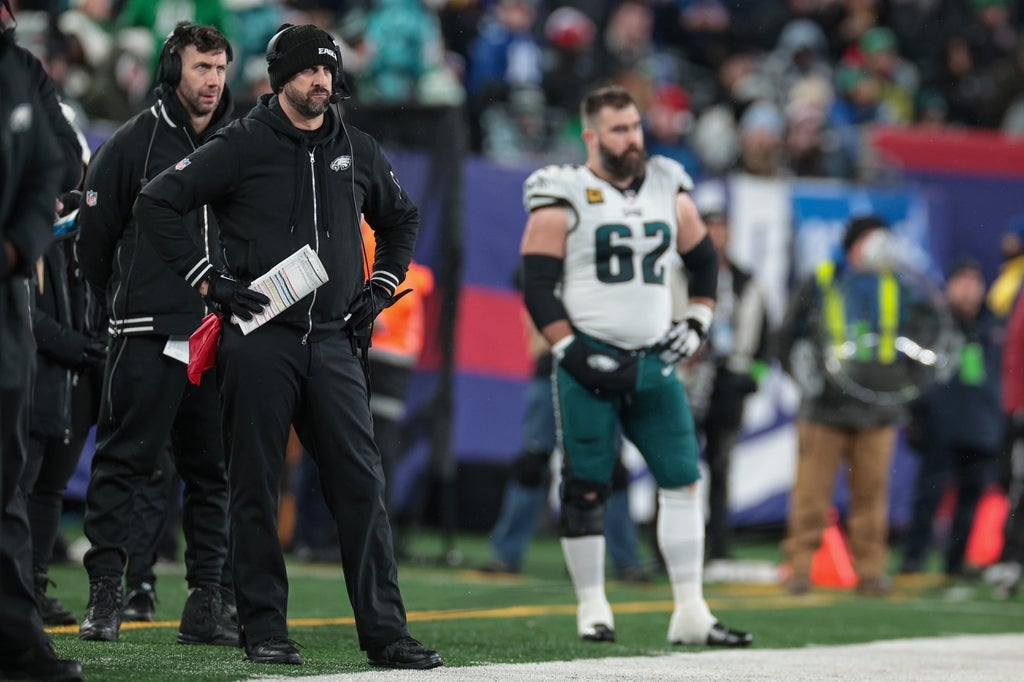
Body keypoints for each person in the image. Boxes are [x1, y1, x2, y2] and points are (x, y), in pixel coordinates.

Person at [135, 23, 443, 669]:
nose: (321, 82)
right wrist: (207, 279)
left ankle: (386, 634)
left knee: (361, 485)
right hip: (259, 338)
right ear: (279, 78)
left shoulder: (354, 147)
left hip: (333, 341)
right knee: (255, 485)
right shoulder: (241, 142)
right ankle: (264, 629)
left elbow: (401, 217)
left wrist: (383, 282)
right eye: (307, 71)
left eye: (328, 71)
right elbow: (160, 201)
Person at [519, 84, 751, 647]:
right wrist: (567, 348)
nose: (633, 138)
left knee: (683, 479)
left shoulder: (670, 183)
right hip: (587, 361)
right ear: (592, 136)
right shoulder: (563, 190)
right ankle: (593, 605)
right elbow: (537, 284)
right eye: (620, 129)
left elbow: (703, 260)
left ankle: (691, 611)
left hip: (652, 361)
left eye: (636, 126)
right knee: (587, 487)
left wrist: (697, 317)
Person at [75, 21, 237, 645]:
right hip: (145, 328)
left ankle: (206, 603)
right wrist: (120, 301)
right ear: (172, 70)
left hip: (214, 333)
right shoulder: (132, 143)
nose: (213, 81)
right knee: (123, 465)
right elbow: (93, 240)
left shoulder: (236, 141)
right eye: (201, 68)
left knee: (211, 472)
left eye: (220, 69)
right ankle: (107, 596)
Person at [0, 0, 82, 678]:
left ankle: (18, 640)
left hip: (2, 308)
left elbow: (54, 172)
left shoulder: (22, 72)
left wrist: (16, 247)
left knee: (7, 490)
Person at [776, 215, 906, 597]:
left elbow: (920, 335)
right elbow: (786, 336)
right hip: (824, 409)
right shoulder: (820, 280)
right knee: (811, 495)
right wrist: (801, 378)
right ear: (854, 243)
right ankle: (799, 569)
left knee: (872, 496)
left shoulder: (895, 285)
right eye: (873, 238)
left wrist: (905, 386)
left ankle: (870, 573)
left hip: (878, 409)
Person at [480, 308, 650, 581]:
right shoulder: (547, 267)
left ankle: (626, 560)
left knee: (611, 468)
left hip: (602, 368)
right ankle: (505, 554)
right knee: (531, 465)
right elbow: (527, 279)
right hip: (554, 365)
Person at [23, 112, 105, 627]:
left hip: (66, 381)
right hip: (34, 375)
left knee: (49, 486)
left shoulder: (76, 230)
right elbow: (24, 314)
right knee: (21, 486)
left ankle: (29, 587)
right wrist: (78, 346)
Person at [900, 258, 1003, 582]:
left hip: (982, 426)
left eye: (976, 281)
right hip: (941, 422)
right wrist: (917, 414)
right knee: (928, 495)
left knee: (969, 502)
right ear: (949, 285)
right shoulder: (934, 321)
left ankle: (954, 564)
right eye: (962, 280)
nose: (970, 289)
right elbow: (913, 371)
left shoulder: (993, 325)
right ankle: (913, 560)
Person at [679, 199, 769, 563]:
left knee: (721, 467)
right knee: (679, 464)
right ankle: (669, 546)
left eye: (723, 230)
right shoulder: (682, 273)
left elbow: (765, 340)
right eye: (711, 229)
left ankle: (718, 548)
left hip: (727, 381)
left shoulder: (746, 281)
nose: (718, 237)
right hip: (689, 378)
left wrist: (751, 378)